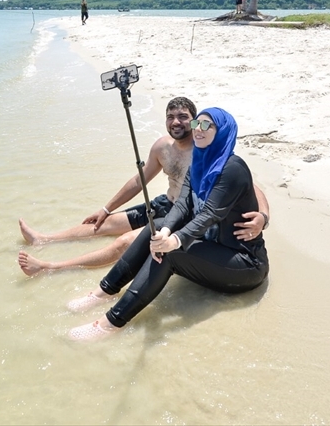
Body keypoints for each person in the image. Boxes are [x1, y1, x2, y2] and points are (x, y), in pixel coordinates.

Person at [67, 107, 269, 341]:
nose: (198, 130)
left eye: (206, 126)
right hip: (213, 249)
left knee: (171, 253)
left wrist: (175, 240)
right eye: (196, 125)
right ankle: (105, 291)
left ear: (222, 131)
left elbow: (211, 214)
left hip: (245, 264)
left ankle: (111, 322)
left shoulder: (232, 168)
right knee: (157, 225)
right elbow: (183, 205)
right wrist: (164, 231)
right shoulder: (199, 163)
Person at [17, 98, 269, 275]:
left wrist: (263, 218)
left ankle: (52, 268)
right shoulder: (163, 147)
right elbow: (139, 180)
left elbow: (252, 188)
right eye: (171, 117)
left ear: (195, 122)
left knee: (125, 242)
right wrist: (106, 208)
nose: (176, 122)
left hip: (186, 217)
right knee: (107, 223)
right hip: (166, 203)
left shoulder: (207, 150)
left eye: (184, 117)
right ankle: (43, 239)